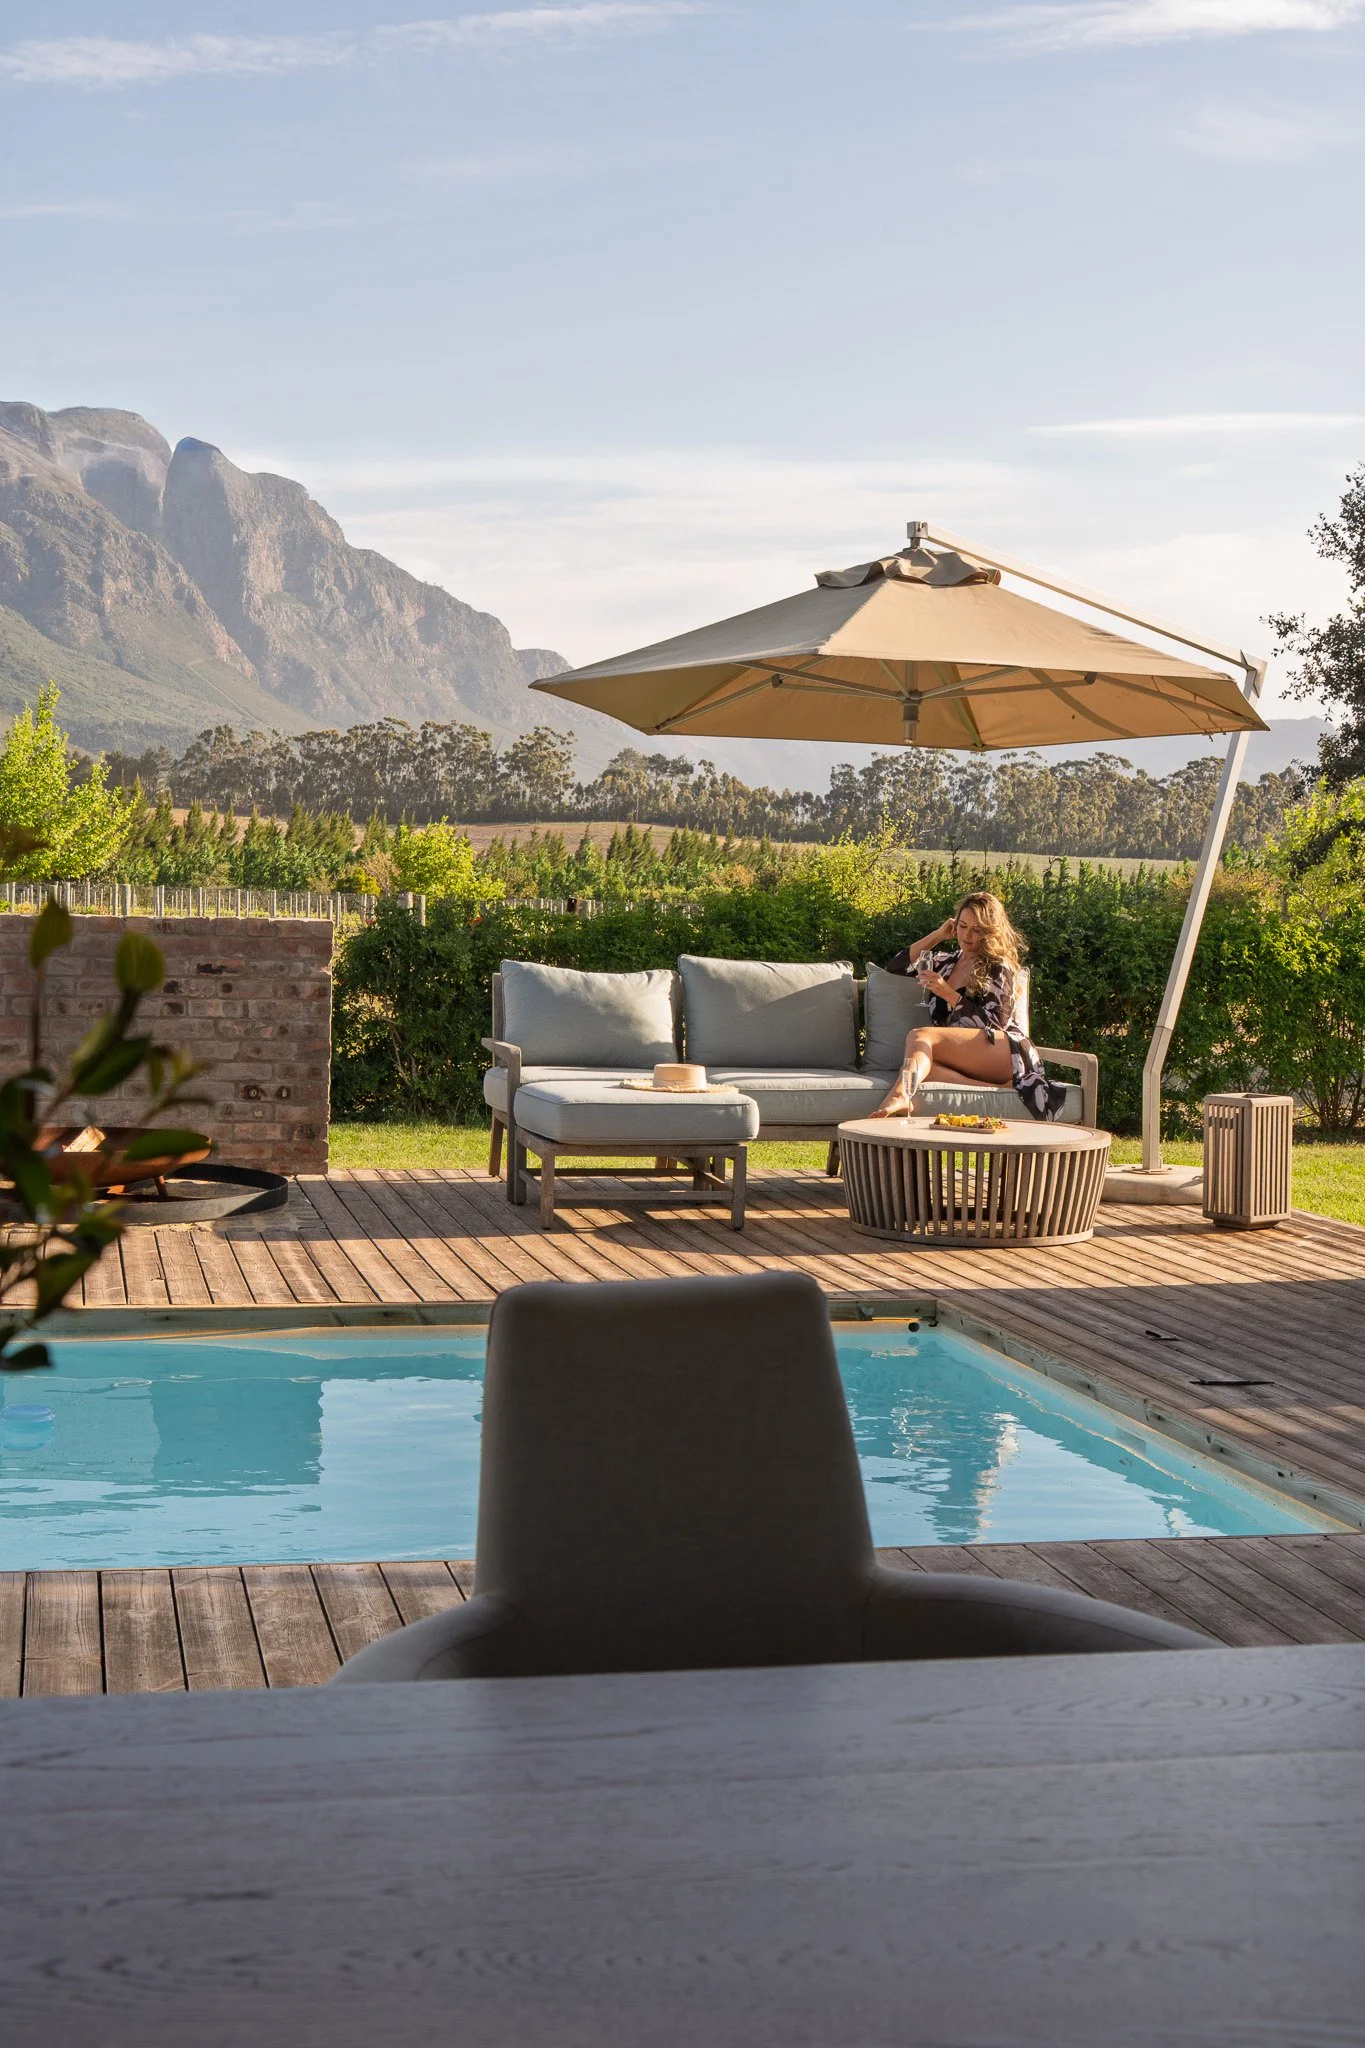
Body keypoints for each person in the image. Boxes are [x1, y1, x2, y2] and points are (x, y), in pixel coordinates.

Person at [870, 891, 1067, 1121]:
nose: (967, 935)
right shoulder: (948, 962)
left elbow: (996, 1024)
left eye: (976, 930)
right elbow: (896, 966)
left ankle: (901, 1097)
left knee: (920, 1036)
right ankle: (1001, 1089)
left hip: (1005, 1050)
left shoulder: (998, 966)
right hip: (969, 1057)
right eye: (962, 926)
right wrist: (937, 935)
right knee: (924, 1068)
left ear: (989, 932)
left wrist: (949, 994)